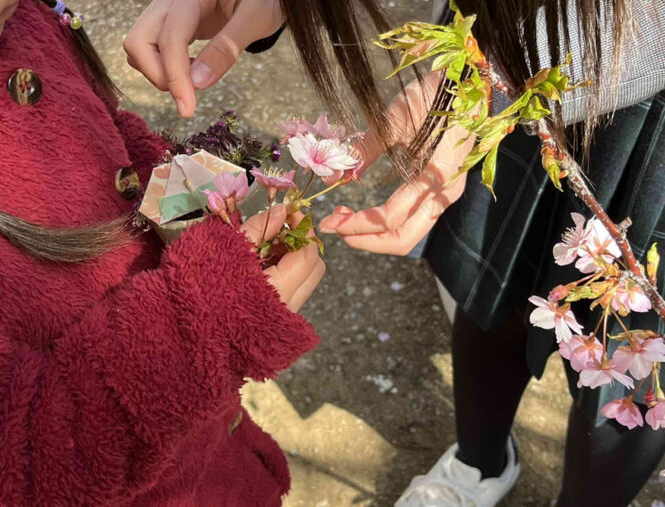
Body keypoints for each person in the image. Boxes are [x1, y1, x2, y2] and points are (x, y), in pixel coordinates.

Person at [125, 0, 665, 505]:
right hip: (496, 42)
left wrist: (483, 91)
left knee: (628, 374)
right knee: (483, 281)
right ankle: (479, 462)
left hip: (609, 87)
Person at [0, 0, 326, 505]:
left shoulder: (21, 19)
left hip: (219, 462)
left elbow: (103, 134)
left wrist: (187, 204)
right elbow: (6, 464)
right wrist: (207, 321)